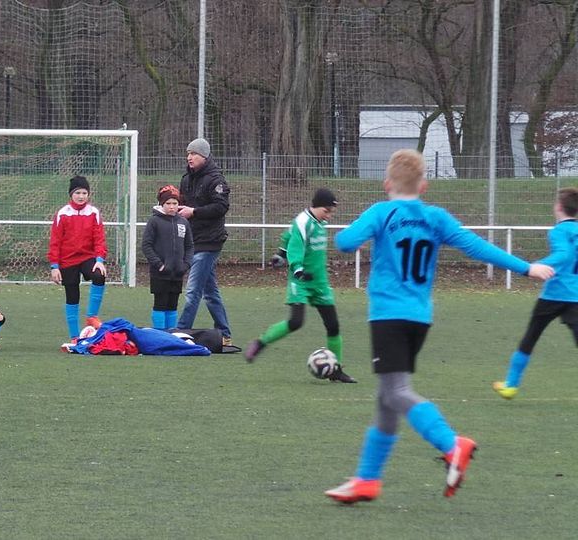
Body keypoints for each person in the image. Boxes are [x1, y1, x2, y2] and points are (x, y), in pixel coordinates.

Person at [324, 149, 554, 504]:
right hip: (419, 318)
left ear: (387, 184)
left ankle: (452, 444)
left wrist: (364, 226)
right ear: (424, 186)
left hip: (388, 315)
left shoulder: (382, 212)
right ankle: (367, 479)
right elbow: (477, 247)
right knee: (387, 397)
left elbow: (345, 242)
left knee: (396, 391)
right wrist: (526, 268)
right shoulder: (435, 217)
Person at [244, 188, 357, 383]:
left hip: (319, 282)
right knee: (296, 322)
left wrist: (280, 252)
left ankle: (336, 370)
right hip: (301, 280)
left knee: (333, 325)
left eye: (331, 212)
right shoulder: (303, 222)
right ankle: (260, 342)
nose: (328, 215)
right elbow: (295, 244)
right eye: (326, 211)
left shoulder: (318, 222)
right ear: (316, 206)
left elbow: (287, 236)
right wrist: (297, 268)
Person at [493, 187, 578, 399]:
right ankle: (510, 385)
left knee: (530, 337)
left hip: (554, 295)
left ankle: (511, 385)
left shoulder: (558, 231)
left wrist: (537, 266)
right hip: (575, 295)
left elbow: (563, 254)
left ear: (558, 207)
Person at [176, 138, 233, 345]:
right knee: (210, 291)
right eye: (188, 153)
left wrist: (194, 212)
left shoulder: (216, 180)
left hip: (210, 241)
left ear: (204, 156)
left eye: (194, 154)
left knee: (193, 290)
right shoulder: (186, 179)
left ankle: (181, 332)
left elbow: (221, 207)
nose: (189, 157)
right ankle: (224, 333)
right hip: (193, 240)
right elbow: (182, 203)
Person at [48, 175, 107, 339]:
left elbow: (99, 238)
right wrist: (54, 266)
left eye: (84, 193)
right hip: (67, 260)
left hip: (87, 257)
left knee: (99, 275)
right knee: (72, 296)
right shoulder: (62, 214)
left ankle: (91, 316)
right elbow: (55, 242)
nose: (81, 196)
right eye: (78, 193)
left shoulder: (93, 212)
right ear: (71, 194)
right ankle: (75, 337)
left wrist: (99, 260)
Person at [141, 184, 194, 330]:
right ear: (161, 204)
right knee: (160, 304)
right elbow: (146, 245)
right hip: (160, 273)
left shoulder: (183, 222)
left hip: (177, 273)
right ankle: (160, 333)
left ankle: (171, 334)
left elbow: (190, 246)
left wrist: (186, 265)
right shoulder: (154, 221)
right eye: (168, 203)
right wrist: (159, 264)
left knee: (172, 305)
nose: (171, 207)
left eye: (174, 203)